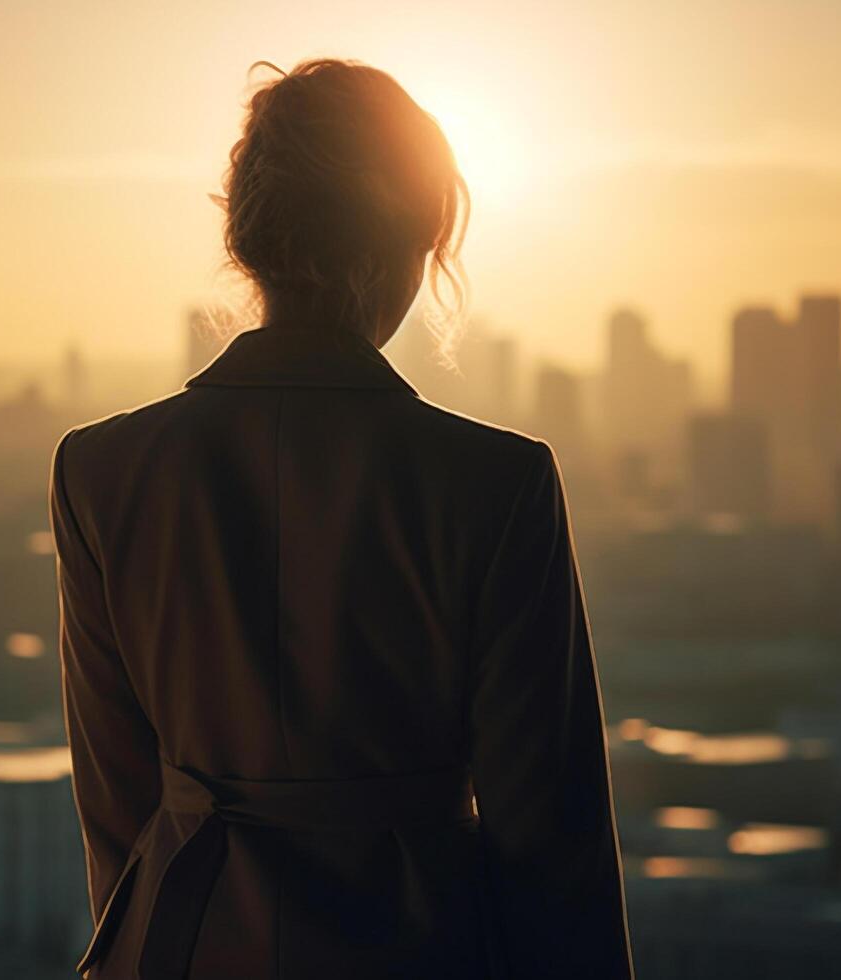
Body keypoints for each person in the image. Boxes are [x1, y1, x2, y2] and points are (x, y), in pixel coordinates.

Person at [50, 58, 631, 979]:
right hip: (420, 943)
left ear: (246, 241)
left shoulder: (103, 470)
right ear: (408, 244)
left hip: (185, 940)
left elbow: (116, 805)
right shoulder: (496, 482)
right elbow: (550, 835)